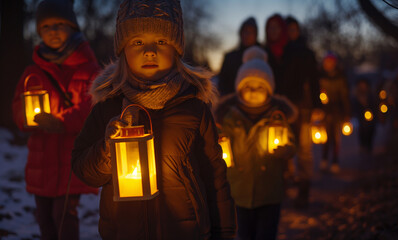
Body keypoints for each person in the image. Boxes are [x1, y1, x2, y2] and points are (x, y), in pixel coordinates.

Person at [70, 0, 237, 239]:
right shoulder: (108, 109)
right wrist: (107, 151)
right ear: (123, 51)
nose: (150, 51)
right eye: (138, 41)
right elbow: (83, 169)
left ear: (177, 50)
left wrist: (224, 231)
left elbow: (215, 176)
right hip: (125, 232)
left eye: (161, 41)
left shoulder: (194, 109)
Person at [11, 0, 100, 239]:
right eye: (47, 26)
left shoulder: (90, 70)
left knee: (64, 215)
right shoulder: (33, 73)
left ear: (74, 27)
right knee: (44, 217)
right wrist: (27, 119)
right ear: (40, 32)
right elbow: (18, 105)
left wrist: (61, 122)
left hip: (71, 160)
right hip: (42, 158)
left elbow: (93, 110)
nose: (54, 30)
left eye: (60, 24)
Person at [215, 46, 297, 240]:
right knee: (244, 234)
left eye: (259, 86)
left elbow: (291, 142)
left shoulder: (277, 116)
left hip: (269, 191)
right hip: (239, 192)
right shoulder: (228, 117)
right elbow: (218, 143)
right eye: (248, 86)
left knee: (266, 234)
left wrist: (286, 150)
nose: (253, 91)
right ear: (239, 90)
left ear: (268, 90)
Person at [279, 16, 322, 209]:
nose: (291, 33)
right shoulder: (281, 54)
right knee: (286, 148)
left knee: (304, 149)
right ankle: (287, 185)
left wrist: (317, 105)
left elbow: (314, 80)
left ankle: (304, 189)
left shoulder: (307, 53)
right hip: (285, 106)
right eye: (288, 30)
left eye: (294, 29)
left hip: (303, 107)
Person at [318, 52, 351, 173]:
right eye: (326, 62)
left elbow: (344, 96)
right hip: (324, 112)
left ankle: (335, 161)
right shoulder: (320, 77)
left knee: (336, 137)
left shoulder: (340, 78)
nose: (328, 64)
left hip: (337, 111)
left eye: (330, 62)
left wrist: (347, 113)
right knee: (324, 136)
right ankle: (324, 159)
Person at [217, 17, 260, 96]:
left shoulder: (261, 58)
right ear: (240, 33)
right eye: (245, 31)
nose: (248, 35)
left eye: (251, 32)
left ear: (255, 35)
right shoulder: (230, 58)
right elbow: (222, 85)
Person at [352, 77, 377, 154]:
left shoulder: (371, 94)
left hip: (371, 116)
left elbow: (374, 104)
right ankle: (363, 145)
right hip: (361, 116)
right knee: (362, 130)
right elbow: (355, 106)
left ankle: (369, 146)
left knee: (371, 130)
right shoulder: (356, 95)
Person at [264, 13, 288, 88]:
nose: (273, 30)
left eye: (276, 26)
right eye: (270, 27)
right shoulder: (263, 54)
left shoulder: (294, 52)